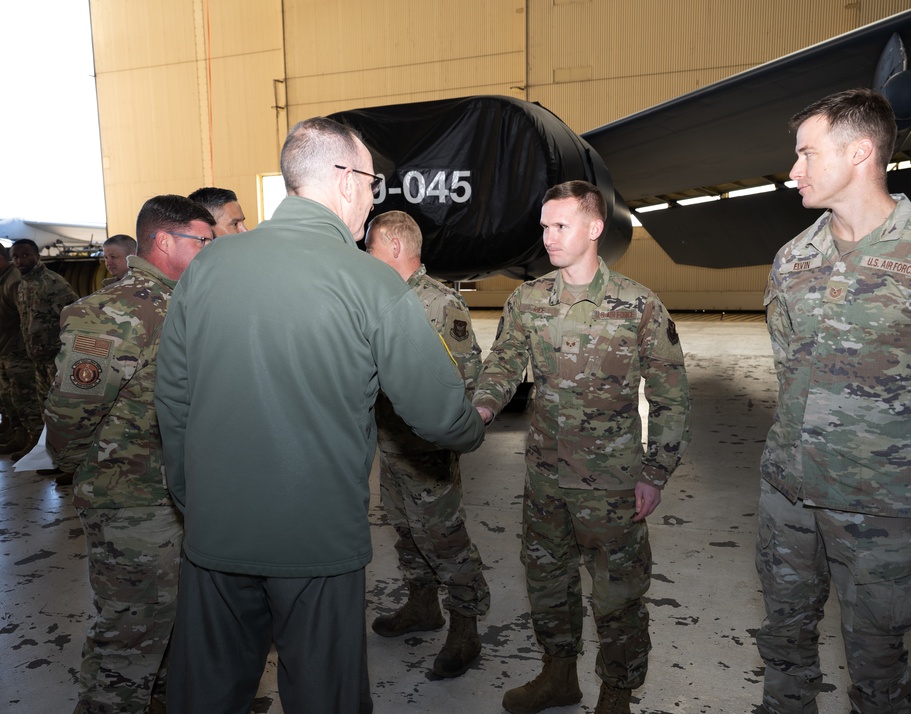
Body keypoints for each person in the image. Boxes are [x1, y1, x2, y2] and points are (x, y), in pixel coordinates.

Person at [155, 117, 485, 714]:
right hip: (317, 541)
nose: (373, 200)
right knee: (323, 695)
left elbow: (173, 400)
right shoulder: (371, 282)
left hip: (215, 531)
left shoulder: (206, 268)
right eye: (373, 185)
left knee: (206, 693)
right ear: (346, 181)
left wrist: (191, 497)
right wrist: (473, 426)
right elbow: (440, 414)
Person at [757, 88, 911, 714]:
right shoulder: (794, 259)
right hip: (789, 490)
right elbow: (788, 368)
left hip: (882, 504)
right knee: (783, 635)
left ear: (860, 152)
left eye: (807, 154)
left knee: (878, 658)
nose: (794, 170)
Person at [473, 180, 691, 714]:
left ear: (594, 228)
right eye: (544, 226)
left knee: (618, 595)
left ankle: (617, 694)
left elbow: (670, 397)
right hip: (545, 477)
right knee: (547, 581)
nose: (548, 237)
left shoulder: (638, 305)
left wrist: (656, 473)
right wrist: (482, 406)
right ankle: (558, 677)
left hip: (612, 485)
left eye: (560, 226)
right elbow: (504, 363)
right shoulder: (527, 300)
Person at [44, 195, 216, 714]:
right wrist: (91, 470)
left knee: (176, 618)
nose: (211, 250)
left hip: (182, 495)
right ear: (163, 241)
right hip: (132, 501)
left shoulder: (186, 301)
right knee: (132, 629)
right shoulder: (115, 311)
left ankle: (166, 699)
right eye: (202, 241)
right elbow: (70, 414)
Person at [364, 210, 490, 678]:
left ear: (395, 246)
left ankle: (466, 626)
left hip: (428, 451)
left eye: (371, 248)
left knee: (444, 538)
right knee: (405, 529)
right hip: (392, 445)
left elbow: (466, 375)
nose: (366, 257)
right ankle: (422, 605)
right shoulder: (382, 298)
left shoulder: (438, 301)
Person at [10, 238, 78, 459]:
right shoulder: (23, 285)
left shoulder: (53, 283)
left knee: (62, 412)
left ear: (37, 256)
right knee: (45, 411)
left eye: (25, 255)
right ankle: (48, 454)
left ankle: (68, 459)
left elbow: (74, 317)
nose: (20, 261)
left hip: (57, 359)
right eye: (15, 257)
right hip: (38, 359)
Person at [0, 246, 38, 457]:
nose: (19, 260)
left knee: (25, 399)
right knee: (9, 397)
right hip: (7, 348)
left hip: (18, 349)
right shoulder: (5, 279)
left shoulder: (14, 280)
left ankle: (33, 441)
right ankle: (17, 434)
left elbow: (24, 317)